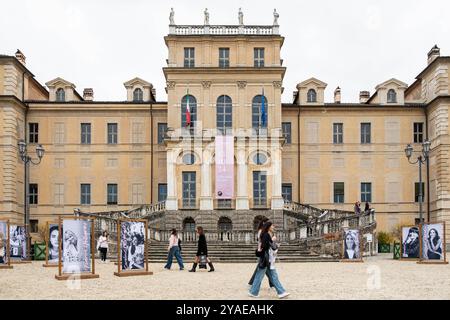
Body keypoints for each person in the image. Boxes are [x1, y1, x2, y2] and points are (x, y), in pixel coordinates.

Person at [249, 221, 289, 299]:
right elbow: (265, 246)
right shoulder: (266, 234)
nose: (273, 227)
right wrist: (272, 240)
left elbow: (263, 245)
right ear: (269, 226)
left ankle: (281, 292)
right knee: (262, 276)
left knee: (270, 275)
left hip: (266, 258)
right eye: (272, 225)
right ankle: (281, 292)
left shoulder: (264, 234)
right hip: (266, 258)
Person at [248, 218, 274, 290]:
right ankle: (272, 284)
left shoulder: (265, 231)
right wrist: (271, 240)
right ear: (264, 223)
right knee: (264, 269)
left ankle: (252, 283)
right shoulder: (262, 232)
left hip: (265, 252)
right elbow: (262, 242)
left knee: (265, 269)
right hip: (263, 252)